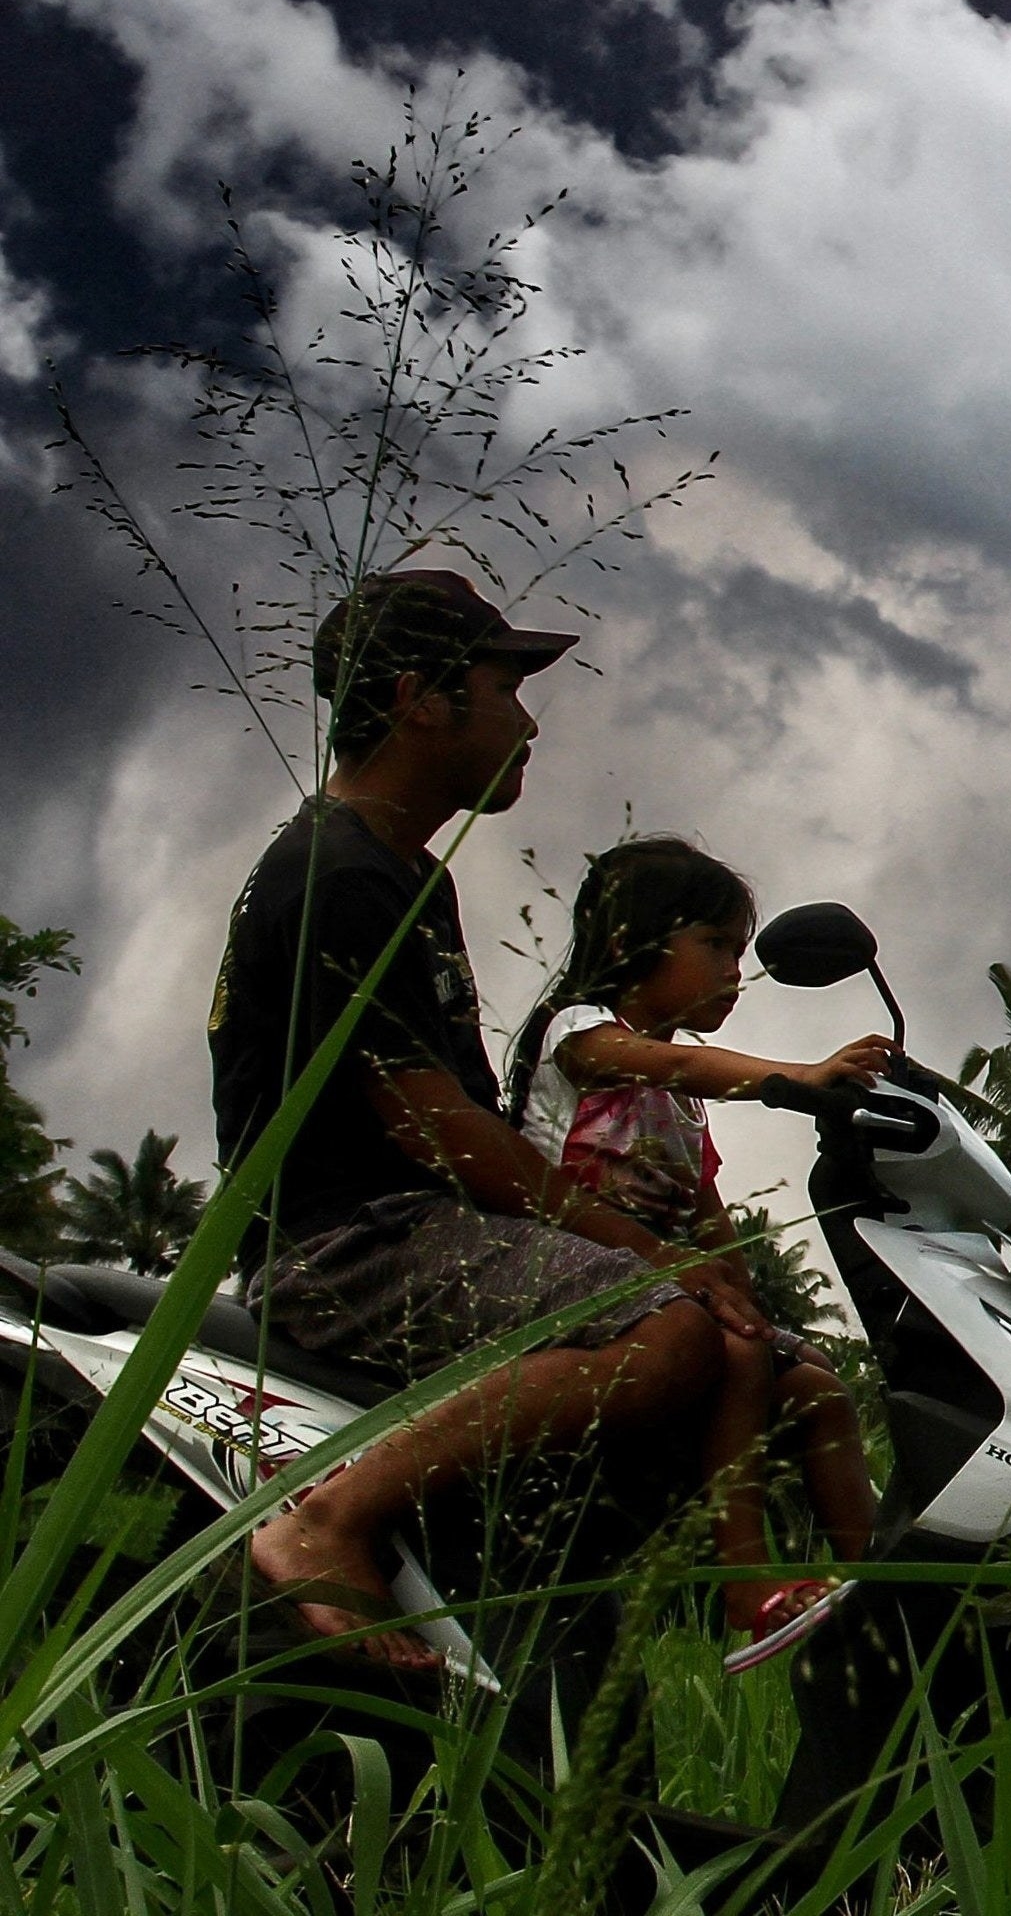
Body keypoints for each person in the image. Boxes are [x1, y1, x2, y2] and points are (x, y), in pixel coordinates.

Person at [212, 570, 758, 1669]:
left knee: (759, 1365)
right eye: (504, 687)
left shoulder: (405, 873)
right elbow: (439, 1127)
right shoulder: (337, 872)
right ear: (421, 697)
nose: (529, 720)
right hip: (352, 1245)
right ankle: (327, 1516)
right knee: (671, 1324)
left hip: (419, 1234)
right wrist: (651, 1251)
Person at [505, 837, 888, 1633]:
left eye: (740, 952)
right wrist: (796, 1078)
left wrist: (749, 1298)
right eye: (714, 945)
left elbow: (707, 1210)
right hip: (563, 1273)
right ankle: (744, 1581)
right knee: (738, 1350)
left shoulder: (679, 1098)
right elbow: (663, 1064)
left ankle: (886, 1599)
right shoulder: (580, 1033)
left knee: (819, 1390)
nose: (733, 972)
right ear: (630, 942)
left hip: (664, 1287)